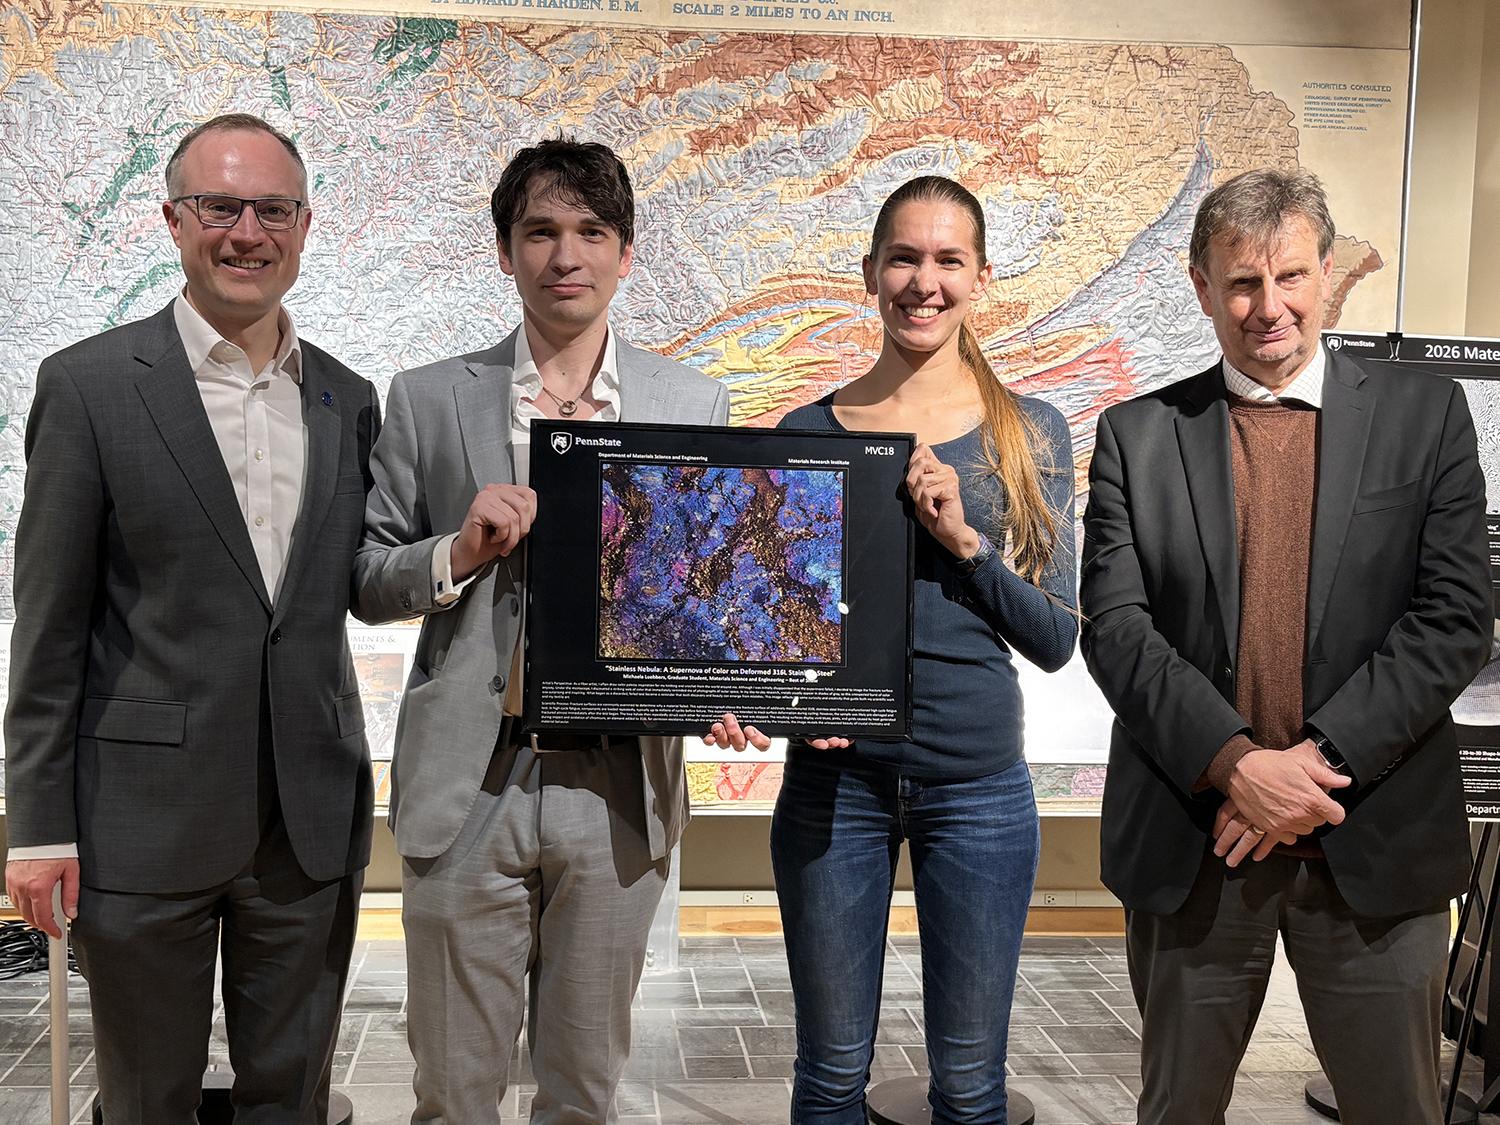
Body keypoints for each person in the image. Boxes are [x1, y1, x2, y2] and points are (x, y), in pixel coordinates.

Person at [1080, 167, 1492, 1125]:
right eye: (1241, 283)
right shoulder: (1137, 436)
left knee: (1397, 1107)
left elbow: (1456, 617)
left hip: (1372, 835)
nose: (1269, 307)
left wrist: (1309, 766)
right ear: (1201, 288)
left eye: (1291, 277)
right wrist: (1234, 765)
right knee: (1178, 1109)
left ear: (1327, 276)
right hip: (1198, 843)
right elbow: (1118, 629)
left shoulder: (1424, 419)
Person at [3, 113, 379, 1124]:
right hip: (140, 827)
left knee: (289, 1101)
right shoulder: (88, 389)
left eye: (272, 209)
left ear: (304, 227)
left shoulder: (347, 398)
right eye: (221, 206)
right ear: (174, 219)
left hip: (305, 828)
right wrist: (37, 824)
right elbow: (47, 622)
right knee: (146, 1101)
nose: (246, 231)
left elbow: (347, 583)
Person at [352, 138, 730, 1124]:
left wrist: (728, 682)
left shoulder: (692, 403)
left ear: (625, 253)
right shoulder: (431, 397)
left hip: (620, 789)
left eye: (591, 232)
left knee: (582, 1091)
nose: (567, 254)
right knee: (454, 1092)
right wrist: (460, 550)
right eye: (542, 232)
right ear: (506, 250)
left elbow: (710, 591)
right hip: (468, 783)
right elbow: (367, 577)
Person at [714, 175, 1078, 1123]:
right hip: (835, 790)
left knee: (969, 1085)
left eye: (948, 260)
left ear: (981, 277)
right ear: (870, 272)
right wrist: (778, 703)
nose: (925, 281)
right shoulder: (805, 434)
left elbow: (1054, 638)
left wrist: (964, 540)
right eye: (905, 258)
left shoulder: (1028, 434)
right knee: (831, 1074)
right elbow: (774, 635)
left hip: (981, 792)